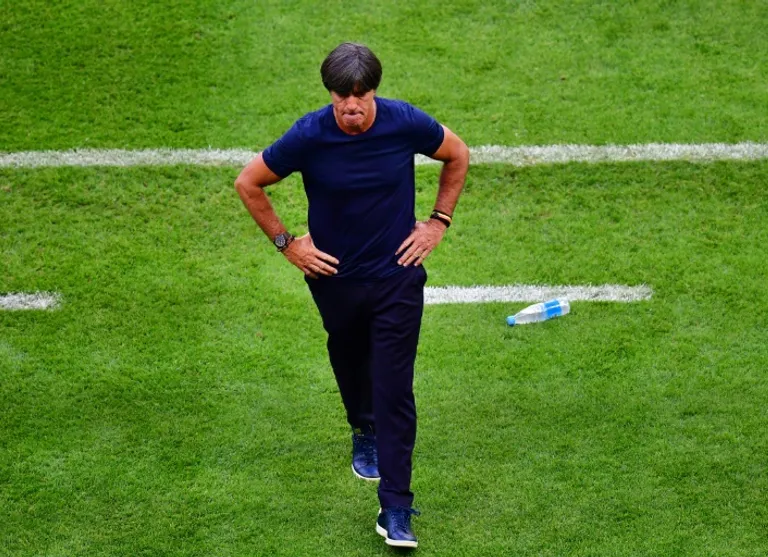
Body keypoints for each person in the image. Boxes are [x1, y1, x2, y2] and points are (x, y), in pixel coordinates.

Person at [235, 42, 469, 549]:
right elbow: (249, 183)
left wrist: (438, 222)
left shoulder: (404, 122)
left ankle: (396, 507)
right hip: (334, 279)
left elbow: (457, 153)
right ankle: (362, 428)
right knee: (346, 352)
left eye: (360, 96)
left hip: (396, 278)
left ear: (374, 92)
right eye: (342, 96)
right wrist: (288, 244)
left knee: (394, 389)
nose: (352, 107)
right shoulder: (309, 134)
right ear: (331, 95)